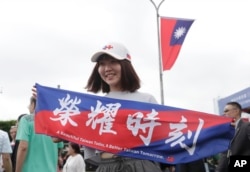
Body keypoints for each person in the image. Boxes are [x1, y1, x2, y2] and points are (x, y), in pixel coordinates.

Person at [84, 42, 162, 172]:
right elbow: (61, 134)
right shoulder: (94, 106)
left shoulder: (147, 100)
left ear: (125, 65)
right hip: (106, 166)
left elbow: (163, 137)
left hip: (141, 166)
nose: (107, 68)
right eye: (102, 64)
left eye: (113, 62)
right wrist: (43, 106)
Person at [15, 96, 64, 172]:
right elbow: (59, 148)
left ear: (33, 104)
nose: (28, 107)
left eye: (29, 103)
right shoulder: (56, 122)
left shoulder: (26, 119)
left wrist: (17, 170)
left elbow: (23, 147)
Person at [216, 101, 250, 172]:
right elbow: (224, 156)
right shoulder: (226, 132)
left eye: (226, 111)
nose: (224, 113)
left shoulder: (247, 126)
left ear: (236, 111)